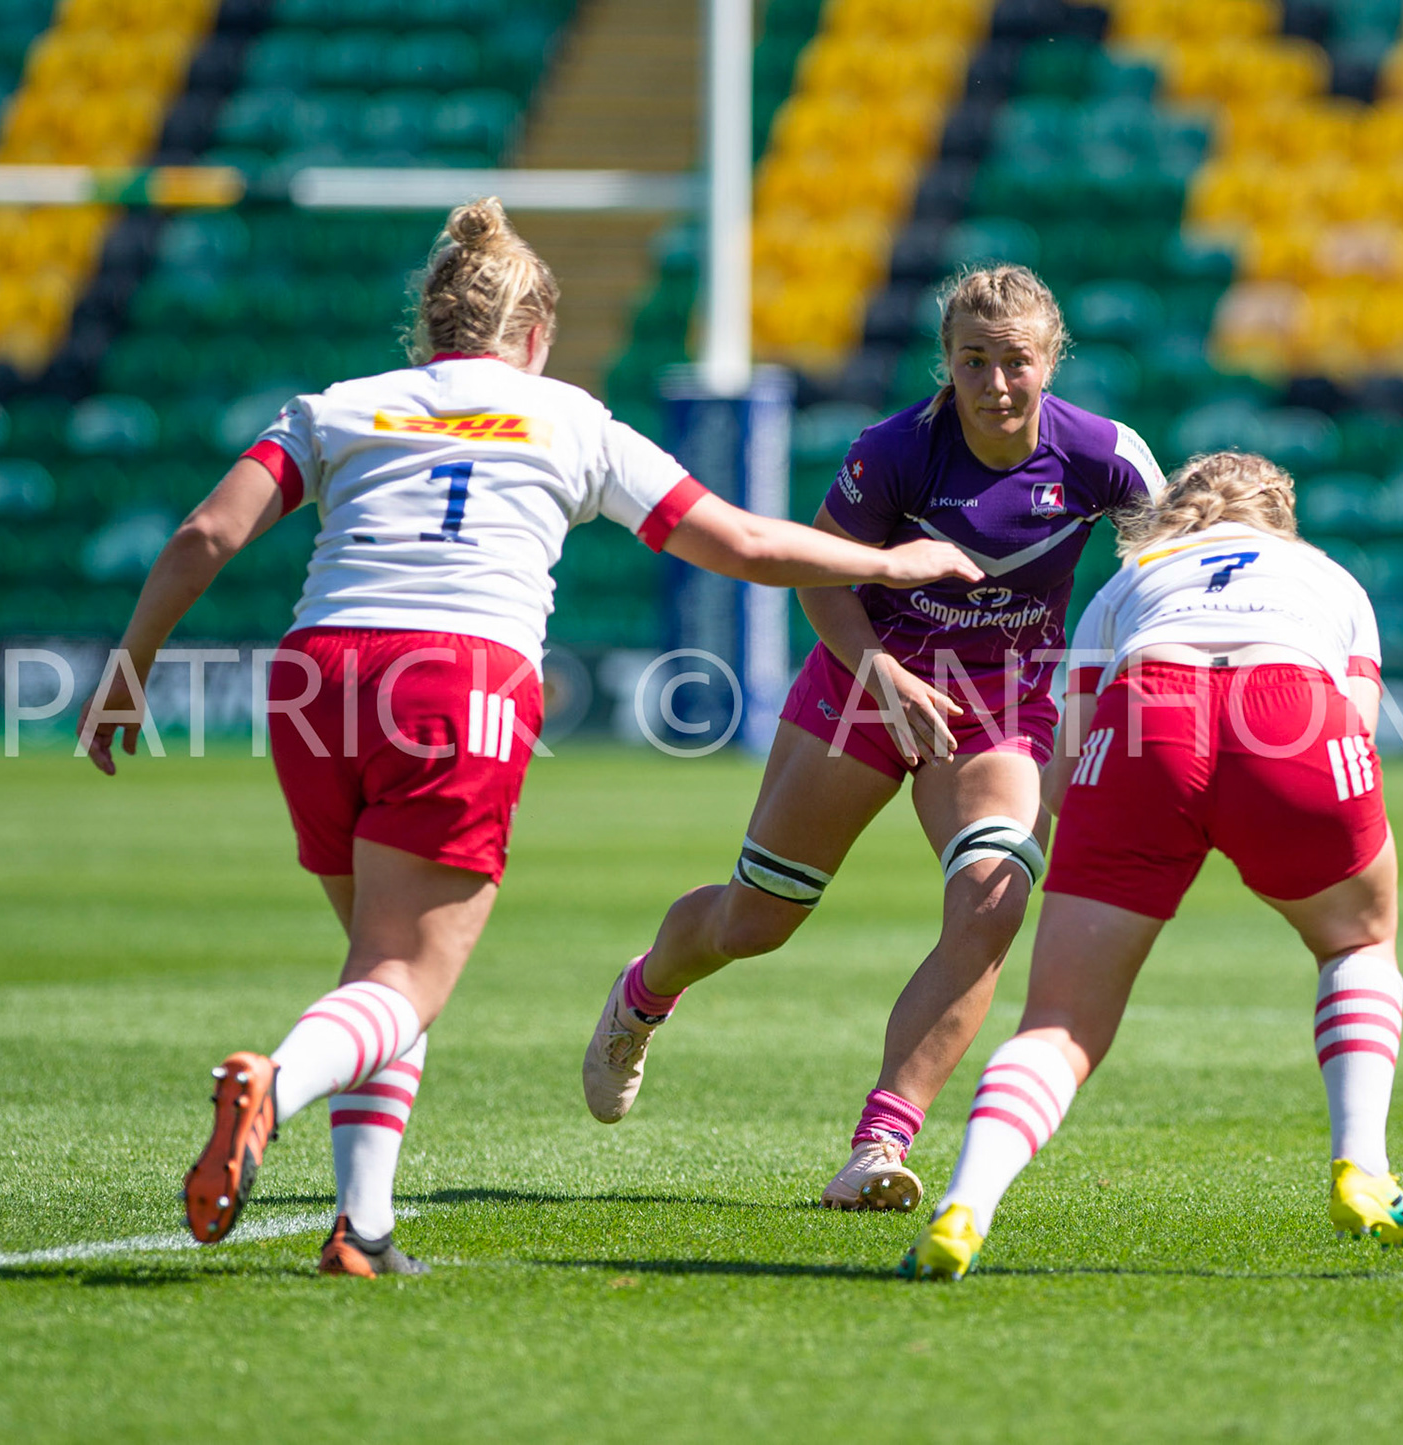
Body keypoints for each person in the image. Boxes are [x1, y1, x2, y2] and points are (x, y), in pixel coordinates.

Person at [76, 198, 979, 1277]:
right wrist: (888, 565)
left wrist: (128, 667)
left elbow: (206, 532)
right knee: (406, 976)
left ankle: (361, 1229)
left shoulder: (338, 406)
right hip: (457, 677)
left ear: (430, 322)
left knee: (379, 966)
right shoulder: (569, 418)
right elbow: (737, 541)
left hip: (316, 674)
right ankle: (273, 1081)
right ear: (538, 332)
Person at [582, 264, 1167, 1211]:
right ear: (945, 363)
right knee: (755, 920)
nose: (995, 384)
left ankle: (878, 1144)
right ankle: (642, 995)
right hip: (863, 688)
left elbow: (1162, 569)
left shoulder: (1106, 456)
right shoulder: (896, 450)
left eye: (1015, 361)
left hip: (999, 708)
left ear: (1051, 361)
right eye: (972, 361)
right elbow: (819, 581)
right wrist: (881, 674)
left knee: (992, 901)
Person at [898, 449, 1403, 1280]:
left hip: (1149, 711)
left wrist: (1115, 860)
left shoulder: (1128, 582)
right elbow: (1354, 727)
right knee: (1358, 945)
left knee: (1060, 1024)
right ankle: (1361, 1165)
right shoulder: (1326, 576)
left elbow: (1068, 766)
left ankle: (966, 1203)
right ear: (1278, 518)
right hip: (1293, 711)